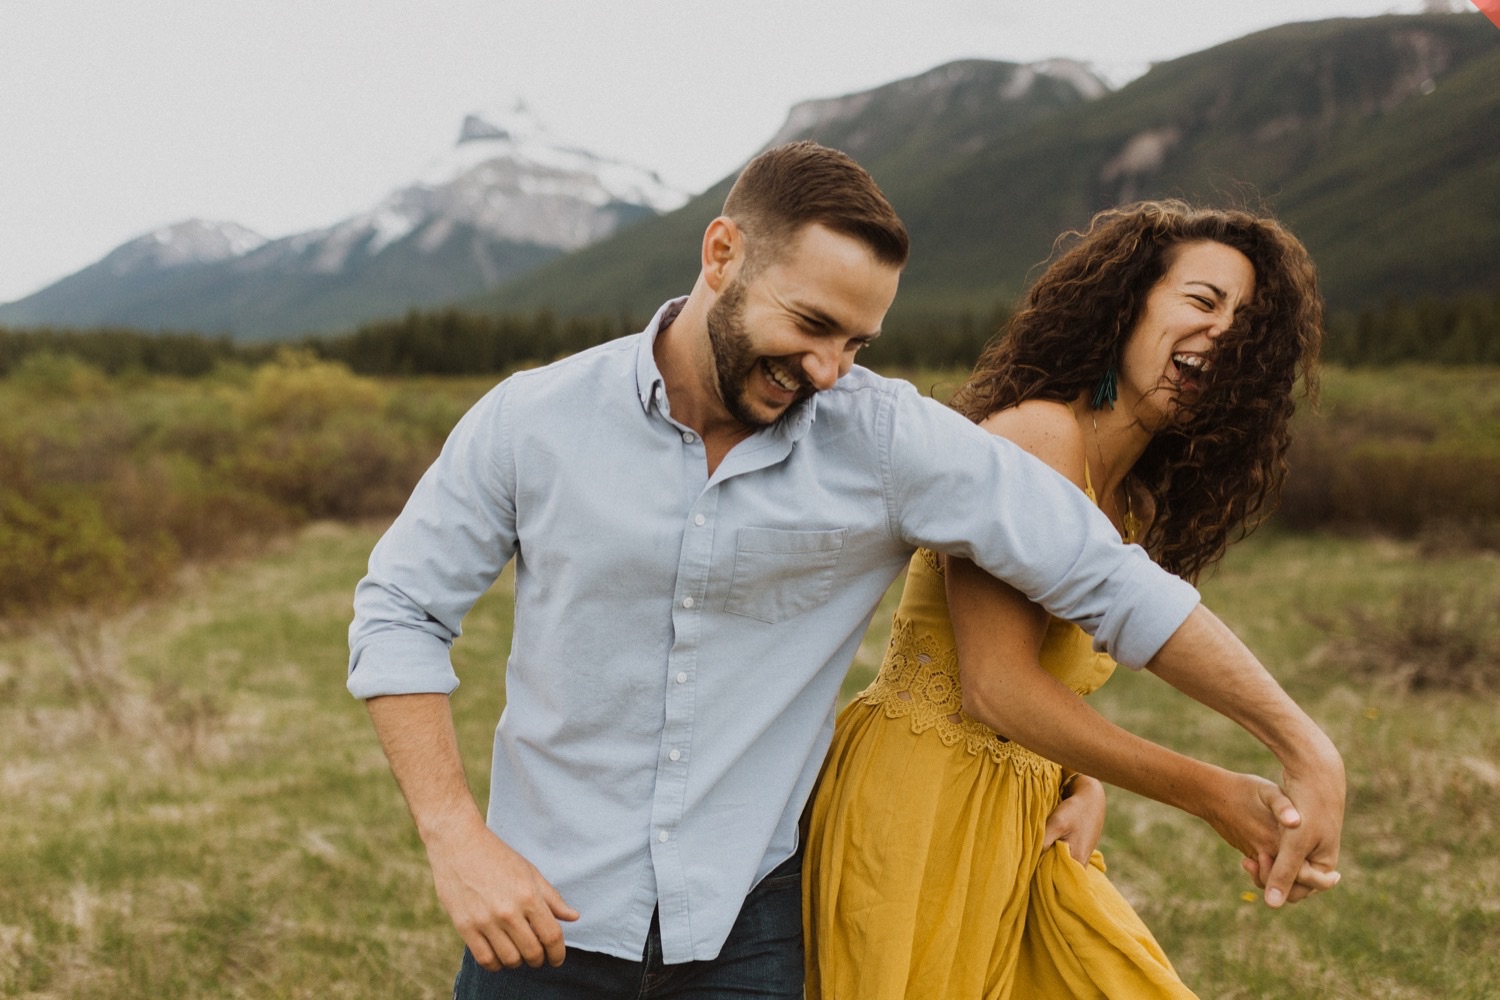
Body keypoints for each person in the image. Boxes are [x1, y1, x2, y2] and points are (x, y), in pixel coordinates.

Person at [347, 143, 1344, 999]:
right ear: (723, 254)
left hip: (748, 935)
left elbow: (1107, 579)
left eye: (857, 342)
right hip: (538, 926)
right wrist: (456, 839)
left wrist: (1300, 741)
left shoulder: (884, 440)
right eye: (812, 325)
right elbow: (400, 609)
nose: (828, 369)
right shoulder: (533, 420)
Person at [803, 200, 1334, 998]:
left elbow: (1045, 695)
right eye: (1203, 300)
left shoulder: (1136, 506)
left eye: (1246, 322)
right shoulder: (1038, 437)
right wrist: (1213, 792)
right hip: (917, 813)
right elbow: (996, 685)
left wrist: (1081, 781)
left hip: (1027, 823)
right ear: (1130, 304)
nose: (1224, 332)